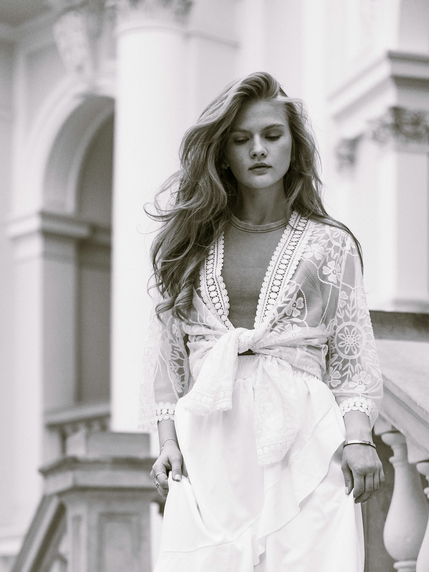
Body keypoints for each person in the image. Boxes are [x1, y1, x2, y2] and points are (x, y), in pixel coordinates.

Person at [139, 72, 384, 572]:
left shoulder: (331, 243)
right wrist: (166, 443)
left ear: (294, 146)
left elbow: (351, 354)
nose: (258, 149)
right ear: (222, 153)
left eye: (272, 135)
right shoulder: (189, 243)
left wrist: (359, 437)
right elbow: (168, 356)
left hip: (305, 434)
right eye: (241, 139)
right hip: (210, 440)